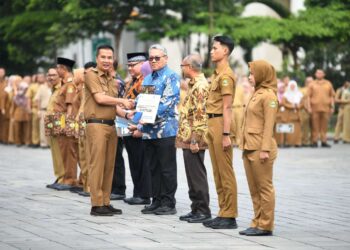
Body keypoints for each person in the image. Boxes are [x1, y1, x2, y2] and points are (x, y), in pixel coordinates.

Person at [130, 44, 180, 216]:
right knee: (153, 167)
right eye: (151, 58)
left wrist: (145, 119)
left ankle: (168, 202)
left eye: (157, 58)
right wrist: (137, 121)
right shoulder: (148, 79)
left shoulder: (171, 77)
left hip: (165, 130)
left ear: (165, 58)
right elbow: (142, 102)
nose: (153, 61)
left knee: (167, 168)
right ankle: (156, 200)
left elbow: (167, 104)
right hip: (149, 131)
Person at [84, 44, 133, 216]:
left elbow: (114, 107)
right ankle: (96, 204)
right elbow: (100, 98)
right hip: (96, 124)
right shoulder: (91, 75)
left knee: (109, 165)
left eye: (109, 57)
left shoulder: (112, 79)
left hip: (111, 125)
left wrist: (128, 115)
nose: (106, 60)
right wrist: (121, 102)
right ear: (97, 58)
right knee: (97, 164)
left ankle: (105, 201)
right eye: (103, 57)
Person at [203, 35, 238, 229]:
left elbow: (227, 107)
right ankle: (223, 211)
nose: (211, 51)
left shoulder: (226, 76)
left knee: (225, 172)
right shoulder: (217, 74)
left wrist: (226, 134)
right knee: (217, 172)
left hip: (219, 124)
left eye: (215, 48)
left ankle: (230, 215)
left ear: (225, 51)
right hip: (211, 123)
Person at [240, 60, 278, 236]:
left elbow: (269, 125)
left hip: (260, 148)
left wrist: (265, 149)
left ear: (262, 74)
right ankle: (257, 221)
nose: (249, 77)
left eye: (252, 74)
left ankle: (266, 224)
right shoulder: (257, 93)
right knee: (254, 189)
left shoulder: (269, 96)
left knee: (264, 187)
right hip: (249, 146)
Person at [176, 53, 211, 223]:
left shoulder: (200, 86)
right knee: (191, 174)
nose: (181, 69)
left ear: (189, 67)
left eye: (182, 66)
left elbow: (200, 113)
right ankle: (195, 208)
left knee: (197, 174)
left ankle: (203, 210)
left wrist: (196, 139)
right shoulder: (193, 84)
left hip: (194, 137)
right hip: (188, 135)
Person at [122, 53, 152, 205]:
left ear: (142, 65)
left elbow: (145, 106)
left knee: (141, 161)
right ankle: (137, 192)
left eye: (133, 65)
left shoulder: (145, 82)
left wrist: (140, 126)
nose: (130, 68)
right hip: (128, 125)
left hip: (138, 126)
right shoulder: (132, 82)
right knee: (134, 161)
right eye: (128, 65)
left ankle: (144, 194)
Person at [54, 57, 79, 189]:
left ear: (64, 68)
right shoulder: (64, 83)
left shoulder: (69, 84)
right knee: (64, 151)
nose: (57, 70)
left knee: (69, 152)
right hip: (60, 120)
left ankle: (71, 179)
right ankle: (66, 177)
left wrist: (66, 124)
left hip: (65, 120)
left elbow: (70, 106)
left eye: (58, 67)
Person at [45, 68, 66, 189]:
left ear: (59, 76)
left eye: (54, 75)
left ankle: (64, 177)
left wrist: (63, 126)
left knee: (61, 152)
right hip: (51, 123)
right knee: (54, 152)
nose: (51, 77)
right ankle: (59, 176)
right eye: (49, 75)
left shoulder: (62, 89)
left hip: (59, 123)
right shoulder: (53, 89)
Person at [308, 69, 335, 147]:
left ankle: (324, 141)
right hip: (314, 108)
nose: (319, 74)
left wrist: (332, 106)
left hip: (326, 108)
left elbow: (332, 96)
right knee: (314, 126)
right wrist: (309, 107)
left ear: (324, 74)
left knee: (324, 126)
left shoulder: (328, 84)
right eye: (317, 73)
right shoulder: (312, 84)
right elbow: (308, 97)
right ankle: (314, 141)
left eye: (320, 73)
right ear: (315, 74)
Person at [282, 80, 303, 147]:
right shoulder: (285, 95)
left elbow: (302, 104)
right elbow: (284, 103)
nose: (292, 87)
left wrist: (298, 106)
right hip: (288, 114)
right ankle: (288, 143)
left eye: (293, 86)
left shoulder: (299, 94)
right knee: (289, 128)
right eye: (291, 86)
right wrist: (292, 106)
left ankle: (297, 142)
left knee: (297, 129)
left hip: (297, 114)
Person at [34, 74, 52, 148]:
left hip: (52, 110)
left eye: (50, 79)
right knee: (43, 127)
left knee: (51, 127)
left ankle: (50, 143)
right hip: (43, 110)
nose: (49, 80)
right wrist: (38, 111)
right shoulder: (42, 87)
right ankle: (43, 143)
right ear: (46, 79)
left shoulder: (54, 87)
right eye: (48, 79)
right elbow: (37, 99)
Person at [12, 79, 31, 146]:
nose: (25, 90)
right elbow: (14, 106)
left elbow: (28, 103)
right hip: (18, 113)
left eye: (26, 88)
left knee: (26, 129)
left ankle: (26, 141)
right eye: (24, 88)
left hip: (25, 113)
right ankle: (18, 142)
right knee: (17, 128)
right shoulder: (16, 96)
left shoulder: (27, 96)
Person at [300, 77, 313, 147]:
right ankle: (304, 141)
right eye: (308, 82)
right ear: (306, 82)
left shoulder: (315, 89)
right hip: (304, 110)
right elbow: (301, 100)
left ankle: (312, 141)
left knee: (314, 127)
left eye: (311, 81)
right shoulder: (302, 90)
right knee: (305, 126)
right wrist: (307, 108)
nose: (310, 83)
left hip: (314, 110)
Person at [275, 81, 287, 147]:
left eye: (283, 87)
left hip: (286, 114)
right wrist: (279, 104)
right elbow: (272, 104)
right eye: (280, 88)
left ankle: (285, 142)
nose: (282, 89)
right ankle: (278, 142)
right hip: (278, 114)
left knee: (286, 128)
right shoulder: (275, 95)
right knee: (278, 129)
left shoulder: (287, 95)